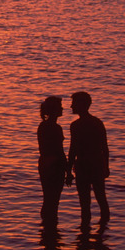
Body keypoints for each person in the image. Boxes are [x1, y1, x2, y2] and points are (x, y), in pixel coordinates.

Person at [66, 91, 110, 230]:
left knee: (86, 203)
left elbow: (73, 150)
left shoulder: (77, 125)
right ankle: (102, 231)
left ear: (82, 105)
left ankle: (87, 231)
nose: (71, 106)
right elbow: (105, 148)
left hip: (86, 166)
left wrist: (68, 171)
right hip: (93, 164)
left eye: (74, 103)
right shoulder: (97, 122)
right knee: (100, 199)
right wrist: (106, 166)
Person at [37, 96, 67, 229]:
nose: (62, 108)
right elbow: (59, 151)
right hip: (54, 166)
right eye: (60, 106)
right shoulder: (54, 128)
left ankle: (47, 228)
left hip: (44, 164)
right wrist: (67, 168)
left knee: (48, 198)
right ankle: (50, 227)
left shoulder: (43, 126)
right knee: (53, 200)